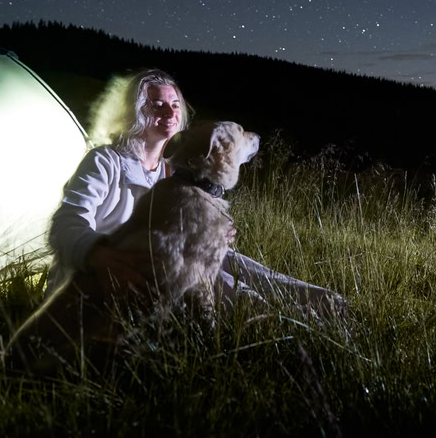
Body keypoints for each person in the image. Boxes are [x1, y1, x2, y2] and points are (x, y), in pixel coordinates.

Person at [46, 69, 344, 319]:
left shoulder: (173, 174)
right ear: (134, 111)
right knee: (212, 278)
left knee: (234, 260)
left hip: (166, 267)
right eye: (156, 104)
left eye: (175, 104)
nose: (169, 112)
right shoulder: (105, 161)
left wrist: (212, 233)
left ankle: (330, 304)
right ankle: (293, 322)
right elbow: (65, 224)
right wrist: (101, 256)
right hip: (105, 279)